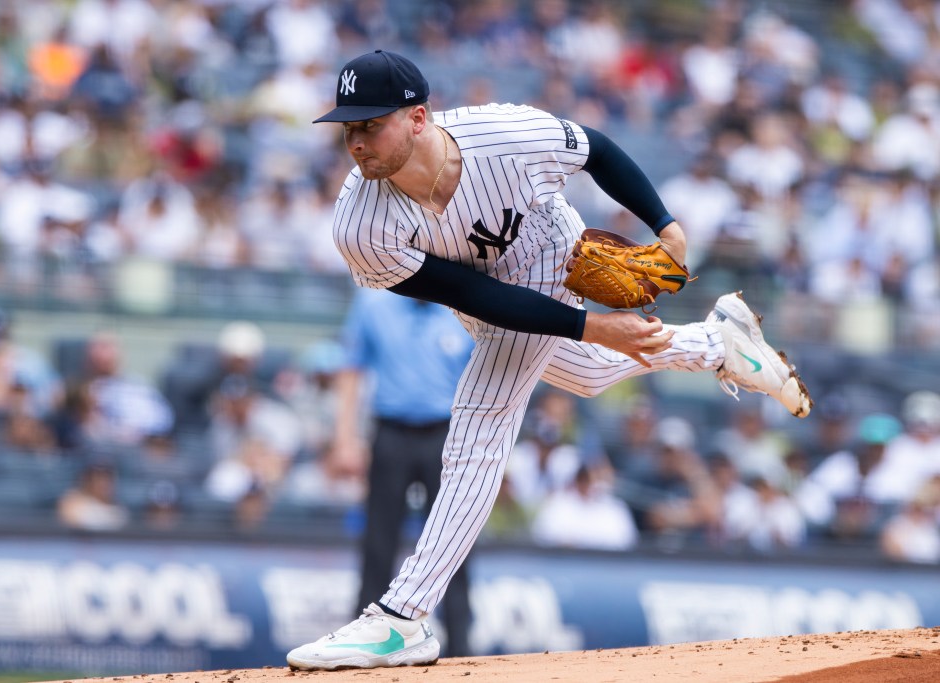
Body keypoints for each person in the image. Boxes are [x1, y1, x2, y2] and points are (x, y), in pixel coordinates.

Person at [287, 49, 813, 671]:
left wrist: (664, 224)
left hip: (552, 250)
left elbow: (597, 149)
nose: (357, 142)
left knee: (481, 420)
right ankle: (716, 343)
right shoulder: (360, 225)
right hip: (490, 296)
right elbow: (470, 293)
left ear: (419, 118)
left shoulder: (502, 133)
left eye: (371, 124)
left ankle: (403, 618)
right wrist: (594, 329)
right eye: (349, 127)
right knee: (588, 372)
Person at [331, 287, 474, 658]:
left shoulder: (462, 304)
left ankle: (462, 647)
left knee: (454, 541)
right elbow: (351, 368)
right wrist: (345, 438)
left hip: (448, 435)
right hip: (390, 431)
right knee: (378, 540)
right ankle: (361, 640)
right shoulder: (373, 301)